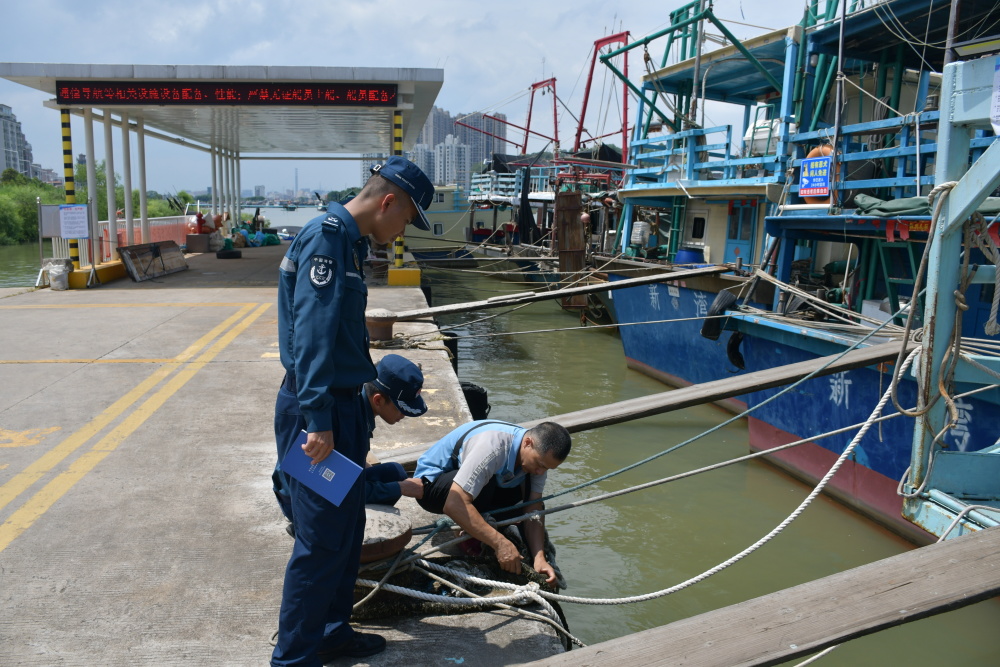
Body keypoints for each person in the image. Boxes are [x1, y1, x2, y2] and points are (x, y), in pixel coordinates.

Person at [271, 155, 433, 667]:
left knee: (344, 532)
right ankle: (294, 657)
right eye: (406, 218)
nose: (402, 229)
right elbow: (312, 335)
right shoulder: (328, 238)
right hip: (316, 412)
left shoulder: (350, 242)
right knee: (319, 542)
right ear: (389, 201)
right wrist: (317, 420)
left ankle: (333, 631)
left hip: (341, 409)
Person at [272, 353, 428, 522]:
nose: (403, 415)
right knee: (396, 484)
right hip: (302, 497)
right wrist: (399, 489)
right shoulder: (347, 420)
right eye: (401, 409)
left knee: (394, 472)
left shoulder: (358, 401)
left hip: (323, 480)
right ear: (378, 400)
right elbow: (340, 487)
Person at [413, 420, 571, 585]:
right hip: (433, 487)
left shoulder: (538, 459)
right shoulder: (492, 446)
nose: (541, 472)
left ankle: (477, 526)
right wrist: (500, 544)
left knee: (529, 504)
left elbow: (533, 508)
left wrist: (540, 558)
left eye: (547, 468)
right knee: (484, 487)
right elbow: (454, 503)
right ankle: (470, 533)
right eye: (539, 465)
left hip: (478, 488)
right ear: (528, 443)